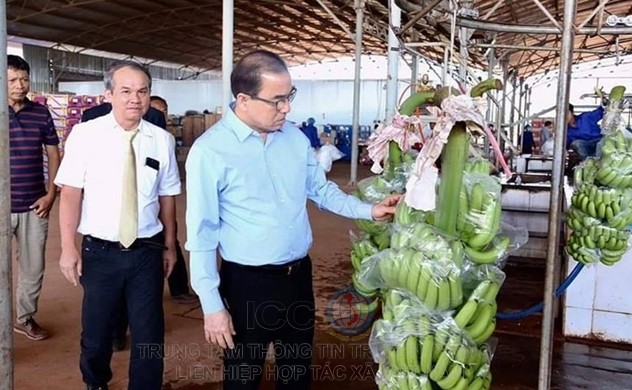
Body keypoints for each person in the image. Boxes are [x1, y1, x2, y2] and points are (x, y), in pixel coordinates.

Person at [185, 50, 399, 390]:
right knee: (243, 376)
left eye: (290, 97)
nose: (287, 108)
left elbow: (322, 192)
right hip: (247, 285)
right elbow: (201, 234)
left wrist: (369, 210)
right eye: (277, 100)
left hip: (297, 278)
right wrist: (212, 305)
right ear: (243, 99)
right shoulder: (210, 152)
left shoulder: (295, 140)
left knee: (297, 373)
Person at [55, 60, 181, 390]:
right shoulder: (85, 135)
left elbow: (167, 198)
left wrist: (171, 245)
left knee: (149, 335)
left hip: (146, 251)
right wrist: (68, 248)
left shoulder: (161, 140)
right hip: (100, 252)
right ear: (108, 94)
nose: (134, 99)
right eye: (125, 91)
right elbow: (70, 194)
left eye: (142, 91)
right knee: (96, 334)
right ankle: (96, 383)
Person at [8, 55, 60, 341]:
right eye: (13, 80)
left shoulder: (40, 113)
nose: (20, 85)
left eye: (24, 79)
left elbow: (53, 153)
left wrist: (51, 192)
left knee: (33, 266)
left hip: (34, 204)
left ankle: (24, 318)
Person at [149, 95, 198, 305]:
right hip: (146, 207)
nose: (162, 116)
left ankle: (179, 289)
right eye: (157, 111)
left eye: (164, 111)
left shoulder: (163, 139)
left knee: (171, 241)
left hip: (163, 202)